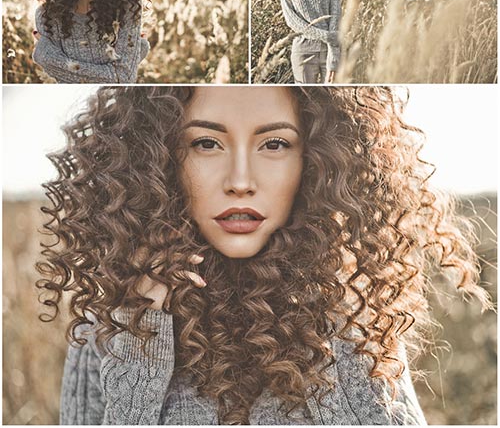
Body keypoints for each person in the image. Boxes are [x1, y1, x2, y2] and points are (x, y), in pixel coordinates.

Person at [38, 84, 485, 425]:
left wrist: (338, 324)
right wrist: (142, 342)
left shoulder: (354, 311)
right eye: (206, 143)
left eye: (274, 144)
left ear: (316, 160)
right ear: (157, 158)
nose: (240, 180)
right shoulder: (115, 319)